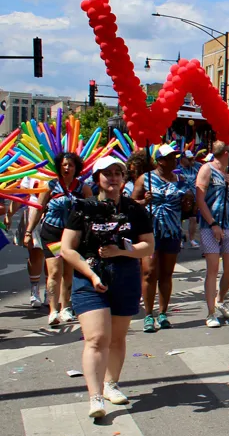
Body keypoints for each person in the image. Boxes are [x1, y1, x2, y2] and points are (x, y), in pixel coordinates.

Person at [59, 156, 154, 419]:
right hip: (90, 279)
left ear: (123, 178)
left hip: (125, 277)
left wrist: (121, 251)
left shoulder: (134, 210)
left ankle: (111, 384)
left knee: (116, 338)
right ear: (97, 178)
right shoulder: (83, 208)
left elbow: (148, 246)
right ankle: (95, 397)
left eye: (117, 173)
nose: (113, 178)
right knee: (97, 338)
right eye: (107, 173)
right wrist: (91, 275)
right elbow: (67, 249)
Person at [24, 151, 93, 325]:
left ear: (76, 168)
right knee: (54, 271)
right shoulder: (51, 185)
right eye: (64, 165)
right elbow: (39, 208)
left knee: (68, 272)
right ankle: (53, 310)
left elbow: (92, 211)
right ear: (59, 167)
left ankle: (65, 307)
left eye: (70, 165)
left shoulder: (83, 188)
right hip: (52, 233)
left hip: (72, 236)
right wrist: (29, 231)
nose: (67, 168)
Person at [132, 144, 194, 331]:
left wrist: (187, 203)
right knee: (149, 272)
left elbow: (187, 208)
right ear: (160, 161)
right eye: (170, 158)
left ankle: (163, 313)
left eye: (175, 157)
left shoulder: (180, 180)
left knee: (166, 274)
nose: (174, 161)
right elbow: (130, 204)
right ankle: (148, 315)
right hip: (149, 232)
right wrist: (144, 201)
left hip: (172, 231)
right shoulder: (146, 179)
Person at [196, 141, 229, 327]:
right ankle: (211, 313)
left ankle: (220, 299)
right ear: (226, 153)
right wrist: (212, 223)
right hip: (211, 226)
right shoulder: (207, 169)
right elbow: (200, 199)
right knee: (212, 269)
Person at [9, 176, 46, 308]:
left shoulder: (62, 170)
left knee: (54, 256)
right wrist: (9, 214)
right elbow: (22, 195)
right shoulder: (31, 174)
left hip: (55, 216)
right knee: (35, 254)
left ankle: (51, 290)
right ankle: (35, 289)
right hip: (33, 216)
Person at [177, 151, 201, 249]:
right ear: (183, 158)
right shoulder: (178, 169)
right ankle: (179, 239)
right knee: (179, 219)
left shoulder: (195, 168)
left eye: (192, 159)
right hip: (181, 198)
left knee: (193, 219)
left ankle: (192, 239)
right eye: (189, 159)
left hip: (194, 198)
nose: (191, 161)